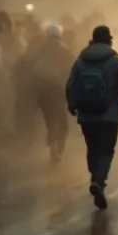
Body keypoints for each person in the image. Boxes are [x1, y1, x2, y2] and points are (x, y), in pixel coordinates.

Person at [66, 25, 118, 210]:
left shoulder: (80, 61)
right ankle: (99, 180)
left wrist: (72, 104)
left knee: (92, 147)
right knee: (106, 150)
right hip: (109, 114)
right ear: (109, 40)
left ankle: (95, 174)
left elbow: (70, 85)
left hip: (86, 114)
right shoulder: (115, 62)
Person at [30, 24, 74, 163]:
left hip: (44, 90)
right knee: (62, 121)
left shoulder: (39, 50)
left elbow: (32, 68)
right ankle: (59, 148)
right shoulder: (65, 49)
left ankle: (53, 150)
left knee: (50, 122)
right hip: (58, 89)